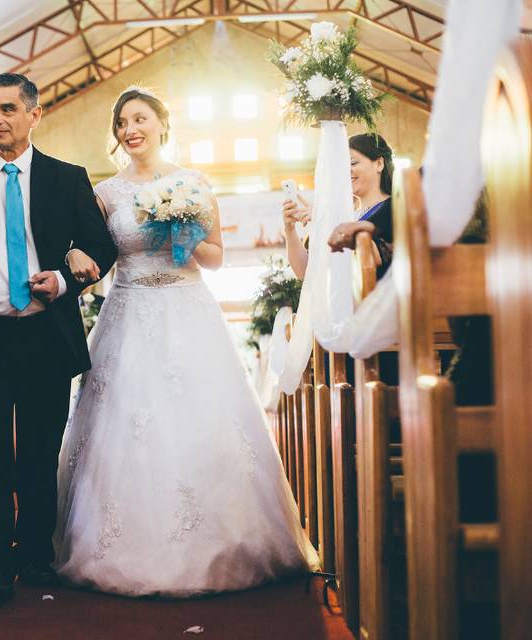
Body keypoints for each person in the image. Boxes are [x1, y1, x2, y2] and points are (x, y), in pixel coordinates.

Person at [53, 87, 318, 597]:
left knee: (202, 421)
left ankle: (225, 543)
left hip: (188, 307)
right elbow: (89, 250)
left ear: (161, 124)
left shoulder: (193, 184)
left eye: (140, 119)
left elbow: (216, 257)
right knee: (123, 426)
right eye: (122, 124)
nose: (131, 130)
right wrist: (71, 259)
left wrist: (182, 229)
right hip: (127, 310)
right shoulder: (105, 194)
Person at [0, 72, 117, 603]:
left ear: (34, 114)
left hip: (44, 333)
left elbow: (101, 244)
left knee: (38, 448)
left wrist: (64, 276)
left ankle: (35, 553)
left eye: (7, 109)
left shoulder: (66, 176)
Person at [283, 133, 395, 279]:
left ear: (379, 164)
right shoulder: (344, 213)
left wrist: (323, 217)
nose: (346, 171)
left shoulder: (393, 209)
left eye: (353, 163)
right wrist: (290, 229)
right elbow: (305, 272)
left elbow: (370, 256)